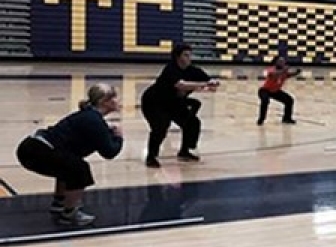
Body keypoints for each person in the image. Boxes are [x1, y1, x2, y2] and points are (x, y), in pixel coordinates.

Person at [15, 84, 123, 226]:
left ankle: (60, 202)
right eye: (114, 97)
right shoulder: (93, 120)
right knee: (79, 169)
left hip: (31, 147)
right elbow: (109, 152)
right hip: (37, 151)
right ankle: (70, 213)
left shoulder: (89, 116)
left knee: (68, 163)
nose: (118, 100)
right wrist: (119, 137)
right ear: (105, 101)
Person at [141, 43, 219, 168]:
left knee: (192, 123)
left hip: (174, 102)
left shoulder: (193, 70)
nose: (189, 58)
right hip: (154, 102)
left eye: (190, 55)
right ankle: (151, 156)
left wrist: (213, 83)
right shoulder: (170, 69)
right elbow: (180, 85)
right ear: (177, 57)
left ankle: (185, 151)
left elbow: (209, 82)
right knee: (160, 127)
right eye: (185, 55)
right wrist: (202, 85)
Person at [258, 56, 300, 125]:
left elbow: (288, 75)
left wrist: (296, 73)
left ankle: (287, 118)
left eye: (283, 61)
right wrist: (284, 70)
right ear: (276, 62)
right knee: (265, 101)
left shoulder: (284, 72)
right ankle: (261, 119)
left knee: (289, 100)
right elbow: (274, 74)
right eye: (280, 61)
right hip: (265, 90)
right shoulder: (272, 69)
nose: (282, 62)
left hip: (275, 91)